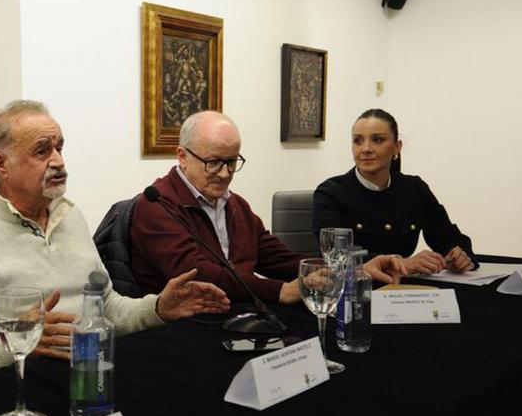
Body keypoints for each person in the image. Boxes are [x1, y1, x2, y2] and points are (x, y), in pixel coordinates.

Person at [0, 100, 230, 375]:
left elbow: (106, 307)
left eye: (59, 147)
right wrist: (17, 342)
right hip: (16, 387)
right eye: (42, 151)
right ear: (1, 164)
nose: (58, 161)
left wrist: (158, 307)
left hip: (90, 372)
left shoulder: (69, 216)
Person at [131, 111, 406, 305]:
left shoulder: (234, 205)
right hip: (183, 329)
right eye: (213, 162)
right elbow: (197, 274)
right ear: (182, 156)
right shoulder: (156, 206)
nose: (225, 173)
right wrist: (280, 291)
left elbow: (278, 259)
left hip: (238, 318)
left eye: (232, 161)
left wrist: (352, 270)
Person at [313, 109, 477, 275]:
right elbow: (336, 257)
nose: (366, 149)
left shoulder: (414, 189)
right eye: (358, 141)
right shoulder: (331, 193)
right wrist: (400, 263)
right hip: (354, 290)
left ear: (397, 147)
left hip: (405, 290)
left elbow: (448, 237)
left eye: (377, 140)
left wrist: (459, 256)